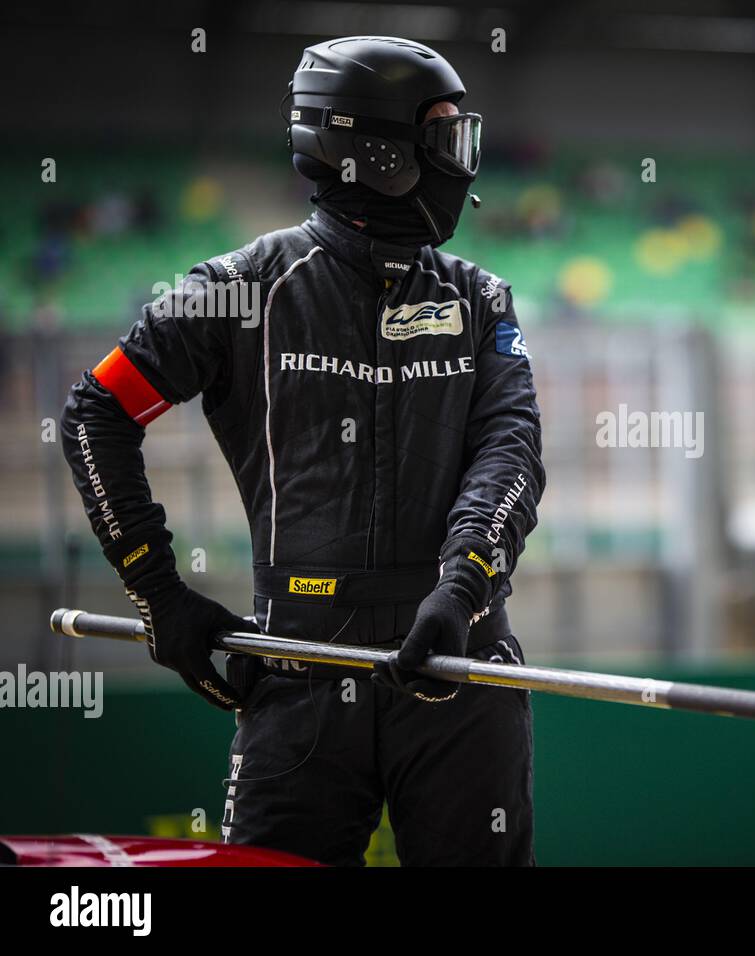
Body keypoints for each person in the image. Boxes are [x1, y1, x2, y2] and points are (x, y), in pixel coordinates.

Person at [59, 36, 545, 866]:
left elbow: (512, 453)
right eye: (445, 136)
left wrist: (461, 590)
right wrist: (159, 597)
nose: (462, 161)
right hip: (296, 673)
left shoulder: (478, 296)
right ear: (376, 151)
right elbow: (94, 415)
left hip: (462, 664)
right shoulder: (238, 285)